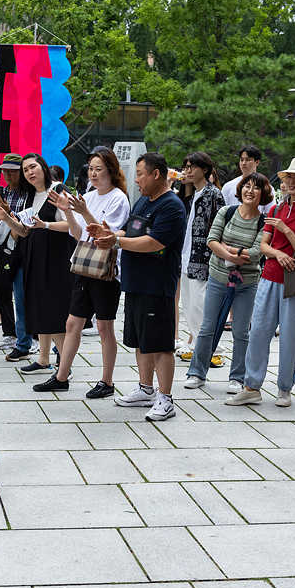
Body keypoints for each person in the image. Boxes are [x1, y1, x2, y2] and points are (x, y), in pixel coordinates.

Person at [90, 152, 187, 422]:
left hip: (157, 285)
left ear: (157, 174)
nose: (137, 180)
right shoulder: (144, 200)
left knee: (160, 344)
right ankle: (146, 389)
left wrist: (116, 243)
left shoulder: (171, 206)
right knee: (141, 341)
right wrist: (110, 234)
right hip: (135, 283)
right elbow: (131, 231)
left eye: (141, 174)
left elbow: (154, 242)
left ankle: (165, 398)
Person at [33, 146, 131, 397]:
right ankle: (61, 376)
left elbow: (104, 234)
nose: (93, 174)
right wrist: (67, 209)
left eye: (99, 169)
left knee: (104, 327)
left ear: (111, 170)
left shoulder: (118, 198)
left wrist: (83, 210)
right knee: (72, 322)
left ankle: (107, 382)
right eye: (91, 169)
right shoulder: (90, 194)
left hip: (106, 271)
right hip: (84, 266)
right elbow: (78, 235)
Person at [239, 157, 295, 407]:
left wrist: (286, 230)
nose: (289, 181)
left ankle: (284, 388)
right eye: (288, 176)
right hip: (269, 275)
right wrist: (278, 253)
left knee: (290, 336)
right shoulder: (277, 209)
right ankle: (251, 386)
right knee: (257, 332)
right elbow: (264, 245)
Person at [184, 172, 269, 397]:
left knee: (241, 331)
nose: (250, 191)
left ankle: (237, 377)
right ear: (240, 190)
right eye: (247, 186)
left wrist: (229, 250)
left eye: (256, 188)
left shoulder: (263, 222)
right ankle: (197, 373)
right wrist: (234, 255)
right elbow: (212, 240)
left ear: (263, 194)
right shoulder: (227, 211)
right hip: (218, 277)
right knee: (207, 327)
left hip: (247, 283)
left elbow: (256, 252)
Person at [0, 153, 73, 373]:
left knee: (53, 311)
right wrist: (5, 218)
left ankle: (64, 364)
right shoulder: (30, 196)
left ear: (43, 166)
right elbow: (24, 231)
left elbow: (72, 227)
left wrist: (45, 225)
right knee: (38, 307)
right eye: (26, 170)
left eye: (33, 167)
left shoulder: (59, 191)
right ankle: (43, 358)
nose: (30, 172)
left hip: (56, 259)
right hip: (33, 256)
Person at [176, 151, 225, 361]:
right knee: (188, 303)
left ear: (204, 169)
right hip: (185, 255)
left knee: (200, 303)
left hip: (203, 258)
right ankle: (198, 344)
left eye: (191, 167)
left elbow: (221, 225)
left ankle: (214, 349)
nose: (187, 171)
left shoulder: (214, 194)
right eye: (185, 167)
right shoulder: (188, 195)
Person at [0, 155, 31, 355]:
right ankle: (9, 334)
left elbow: (25, 225)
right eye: (5, 171)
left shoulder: (28, 195)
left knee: (21, 298)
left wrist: (10, 213)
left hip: (20, 252)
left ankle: (26, 339)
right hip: (0, 250)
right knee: (2, 293)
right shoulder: (1, 192)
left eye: (13, 170)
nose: (8, 174)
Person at [221, 145, 274, 214]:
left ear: (257, 162)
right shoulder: (228, 186)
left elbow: (270, 213)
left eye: (248, 160)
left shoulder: (266, 187)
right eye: (241, 160)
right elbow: (221, 211)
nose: (243, 163)